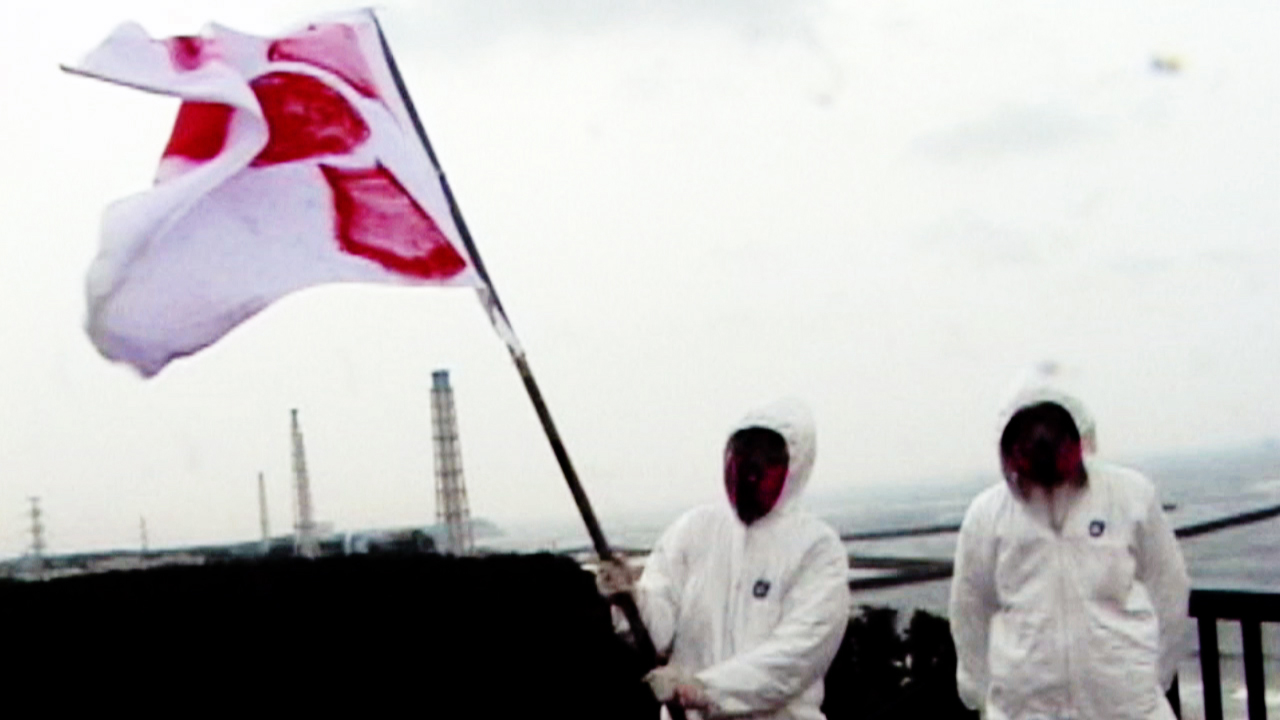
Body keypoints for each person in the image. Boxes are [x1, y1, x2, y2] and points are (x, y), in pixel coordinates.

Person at [949, 379, 1191, 720]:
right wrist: (985, 697)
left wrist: (1148, 680)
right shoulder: (987, 516)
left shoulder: (1130, 496)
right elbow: (970, 610)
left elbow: (1169, 588)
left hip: (1128, 709)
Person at [598, 398, 850, 719]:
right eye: (744, 455)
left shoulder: (816, 549)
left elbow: (795, 658)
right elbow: (655, 632)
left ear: (796, 465)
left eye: (766, 458)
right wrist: (630, 599)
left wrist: (704, 689)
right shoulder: (693, 530)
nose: (750, 473)